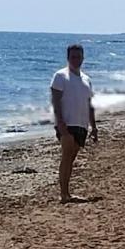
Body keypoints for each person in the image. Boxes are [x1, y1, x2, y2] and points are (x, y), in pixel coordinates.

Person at [50, 44, 98, 203]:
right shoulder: (60, 76)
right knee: (66, 155)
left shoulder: (86, 79)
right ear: (68, 58)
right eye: (73, 57)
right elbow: (55, 101)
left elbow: (89, 104)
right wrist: (60, 122)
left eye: (78, 57)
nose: (76, 60)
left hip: (81, 124)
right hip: (67, 123)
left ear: (83, 58)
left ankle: (67, 192)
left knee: (71, 158)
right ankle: (63, 194)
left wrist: (94, 126)